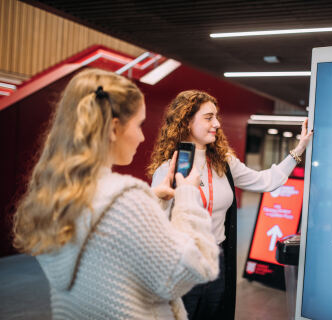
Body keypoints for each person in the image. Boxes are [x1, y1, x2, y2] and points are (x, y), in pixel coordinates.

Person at [13, 69, 220, 320]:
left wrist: (152, 199)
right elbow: (198, 267)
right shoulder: (126, 198)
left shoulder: (55, 196)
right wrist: (187, 195)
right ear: (113, 128)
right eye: (139, 124)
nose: (143, 137)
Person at [147, 90, 313, 319]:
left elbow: (266, 180)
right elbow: (153, 224)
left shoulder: (224, 163)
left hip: (217, 262)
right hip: (180, 265)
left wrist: (299, 149)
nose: (216, 123)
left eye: (216, 117)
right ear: (186, 122)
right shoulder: (168, 170)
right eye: (208, 118)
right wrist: (164, 201)